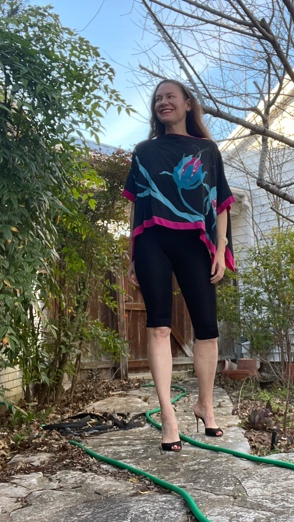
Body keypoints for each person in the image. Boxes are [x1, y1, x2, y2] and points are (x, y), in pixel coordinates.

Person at [122, 79, 235, 452]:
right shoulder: (145, 151)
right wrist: (133, 252)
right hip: (153, 239)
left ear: (188, 103)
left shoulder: (207, 150)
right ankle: (168, 416)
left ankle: (205, 404)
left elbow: (220, 203)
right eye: (157, 98)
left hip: (195, 242)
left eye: (170, 96)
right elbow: (135, 204)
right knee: (158, 327)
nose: (163, 102)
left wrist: (220, 250)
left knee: (208, 329)